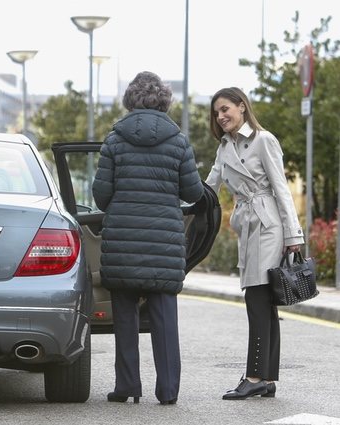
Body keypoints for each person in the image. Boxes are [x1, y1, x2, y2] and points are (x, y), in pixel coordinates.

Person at [92, 71, 204, 405]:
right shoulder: (178, 141)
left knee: (124, 318)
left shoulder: (114, 140)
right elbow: (193, 193)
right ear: (165, 101)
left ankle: (127, 386)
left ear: (130, 100)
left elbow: (100, 196)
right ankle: (168, 390)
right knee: (165, 320)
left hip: (123, 242)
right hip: (163, 244)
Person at [205, 87, 304, 400]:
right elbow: (207, 189)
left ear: (242, 107)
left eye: (225, 109)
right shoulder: (224, 147)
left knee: (258, 299)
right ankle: (267, 378)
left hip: (267, 224)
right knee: (263, 301)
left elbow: (281, 189)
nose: (221, 117)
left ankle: (254, 376)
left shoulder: (264, 140)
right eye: (217, 112)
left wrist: (294, 235)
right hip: (247, 225)